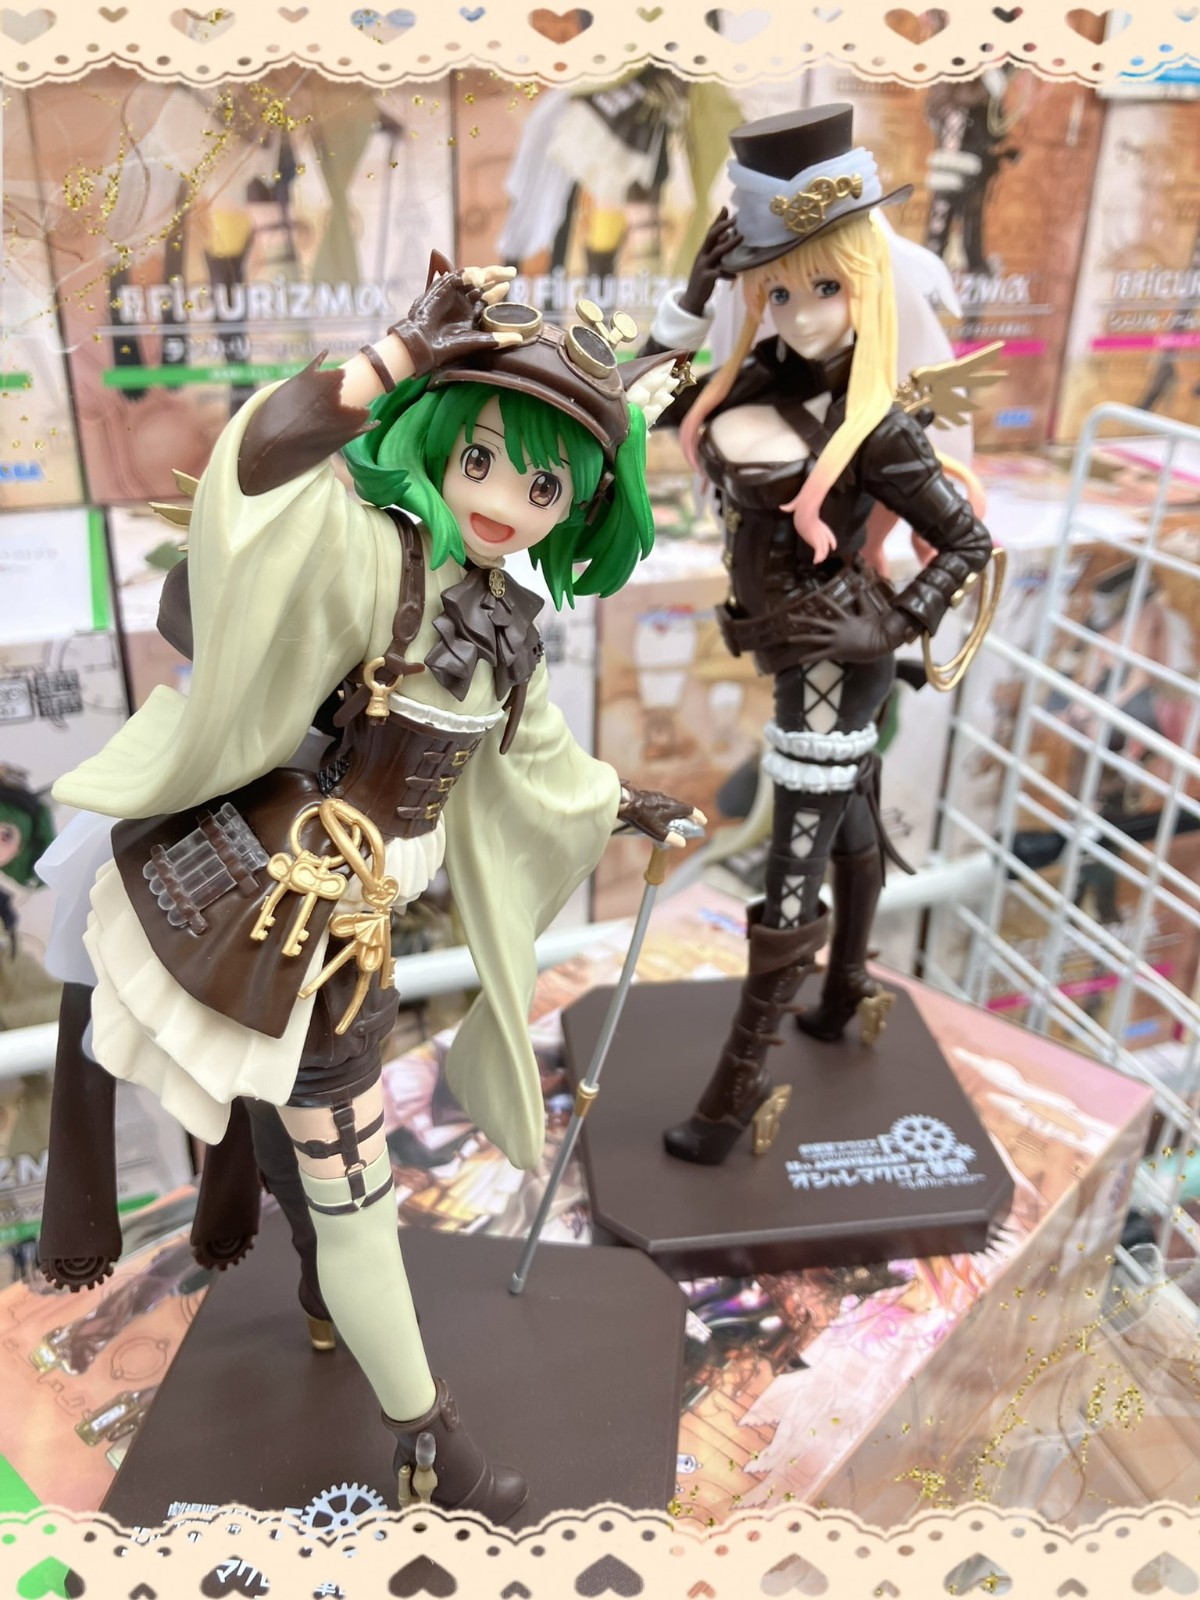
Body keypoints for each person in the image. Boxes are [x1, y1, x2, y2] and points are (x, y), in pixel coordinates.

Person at [37, 258, 698, 1517]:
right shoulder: (370, 552)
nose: (504, 500)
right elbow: (253, 479)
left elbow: (538, 759)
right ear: (438, 443)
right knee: (358, 1202)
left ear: (580, 508)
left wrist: (623, 800)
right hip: (301, 916)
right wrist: (387, 360)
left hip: (358, 932)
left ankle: (319, 1298)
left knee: (312, 1153)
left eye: (544, 486)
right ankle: (428, 1439)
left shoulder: (508, 626)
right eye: (482, 459)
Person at [642, 105, 995, 1166]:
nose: (799, 316)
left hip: (834, 666)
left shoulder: (879, 427)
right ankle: (843, 993)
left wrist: (893, 619)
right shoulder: (756, 375)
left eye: (825, 289)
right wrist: (693, 296)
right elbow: (636, 402)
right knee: (848, 819)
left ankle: (734, 1095)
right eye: (780, 292)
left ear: (868, 284)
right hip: (791, 647)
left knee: (790, 868)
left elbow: (968, 541)